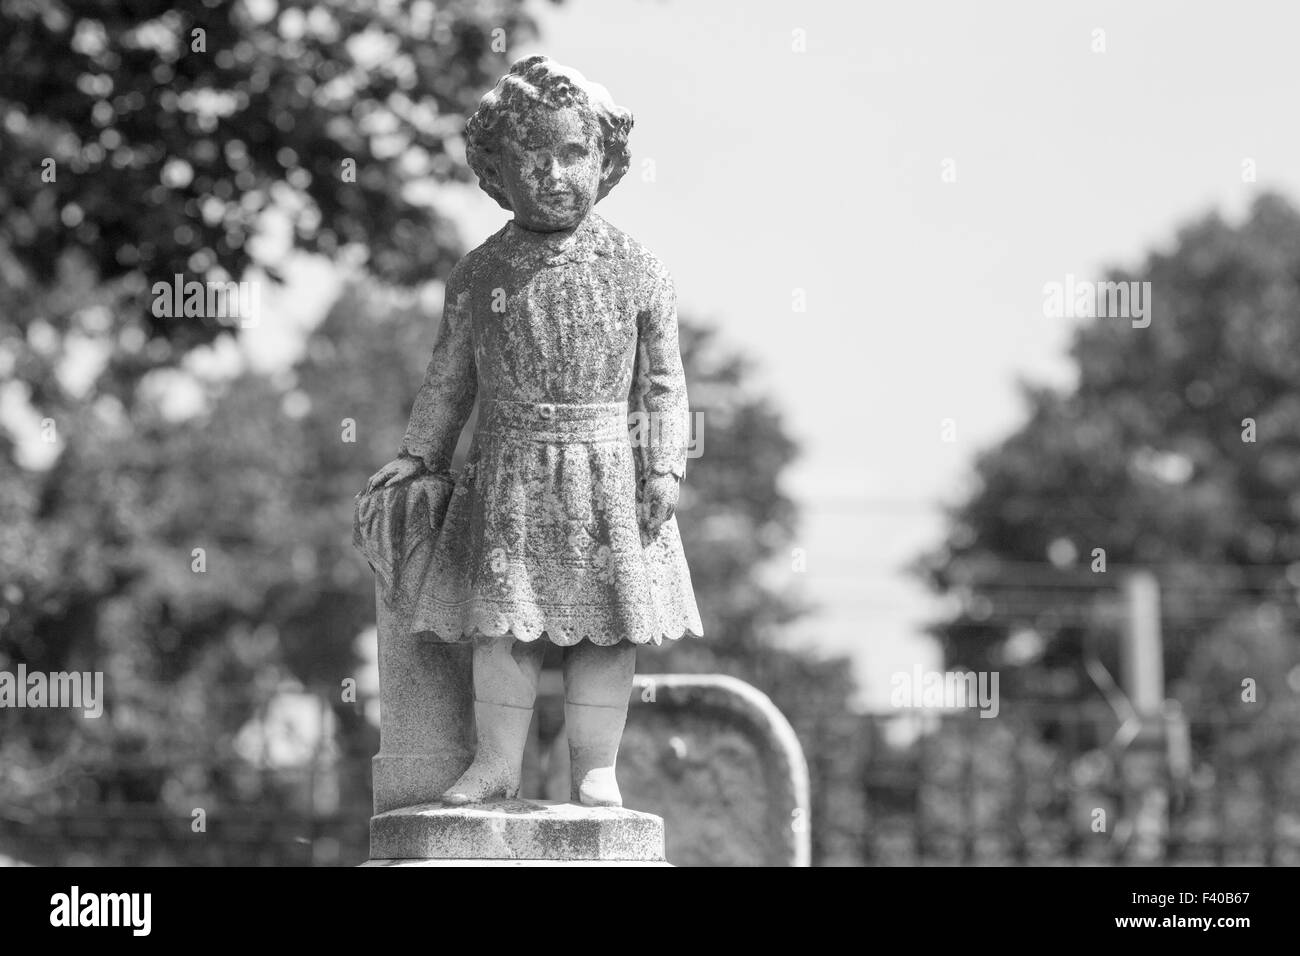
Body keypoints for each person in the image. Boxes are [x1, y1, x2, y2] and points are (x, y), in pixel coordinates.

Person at [365, 55, 702, 807]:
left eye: (572, 152)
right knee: (502, 628)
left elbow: (663, 383)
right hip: (507, 470)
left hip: (607, 471)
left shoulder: (637, 268)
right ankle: (495, 764)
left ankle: (595, 768)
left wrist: (664, 467)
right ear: (496, 169)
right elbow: (450, 377)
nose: (552, 173)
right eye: (530, 157)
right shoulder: (480, 272)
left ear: (606, 159)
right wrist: (420, 452)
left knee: (609, 635)